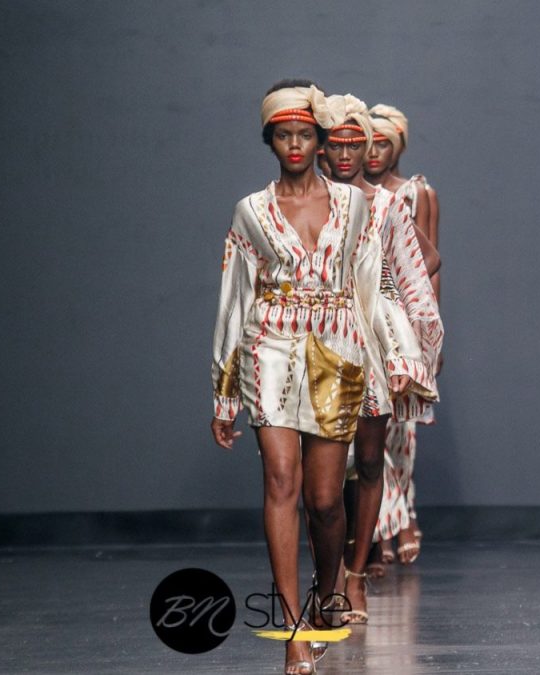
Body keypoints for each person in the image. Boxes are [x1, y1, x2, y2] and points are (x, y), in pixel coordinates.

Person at [210, 80, 435, 675]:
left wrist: (399, 356)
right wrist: (223, 393)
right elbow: (234, 300)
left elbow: (371, 289)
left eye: (304, 135)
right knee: (280, 480)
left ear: (318, 140)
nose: (294, 145)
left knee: (326, 501)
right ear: (269, 141)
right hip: (269, 349)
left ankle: (327, 589)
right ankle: (293, 629)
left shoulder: (354, 206)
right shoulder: (250, 212)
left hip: (339, 351)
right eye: (283, 135)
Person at [318, 95, 442, 622]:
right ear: (323, 150)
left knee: (370, 460)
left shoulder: (389, 203)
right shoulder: (310, 201)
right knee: (321, 477)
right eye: (338, 144)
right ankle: (330, 575)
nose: (348, 154)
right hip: (318, 341)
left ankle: (354, 576)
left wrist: (416, 339)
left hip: (373, 342)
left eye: (357, 144)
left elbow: (425, 260)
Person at [364, 104, 442, 566]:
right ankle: (382, 530)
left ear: (399, 146)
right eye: (368, 142)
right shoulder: (349, 194)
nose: (374, 152)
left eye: (384, 143)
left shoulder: (417, 193)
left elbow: (430, 262)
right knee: (369, 429)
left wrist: (429, 331)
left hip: (404, 319)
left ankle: (400, 515)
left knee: (400, 430)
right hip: (363, 318)